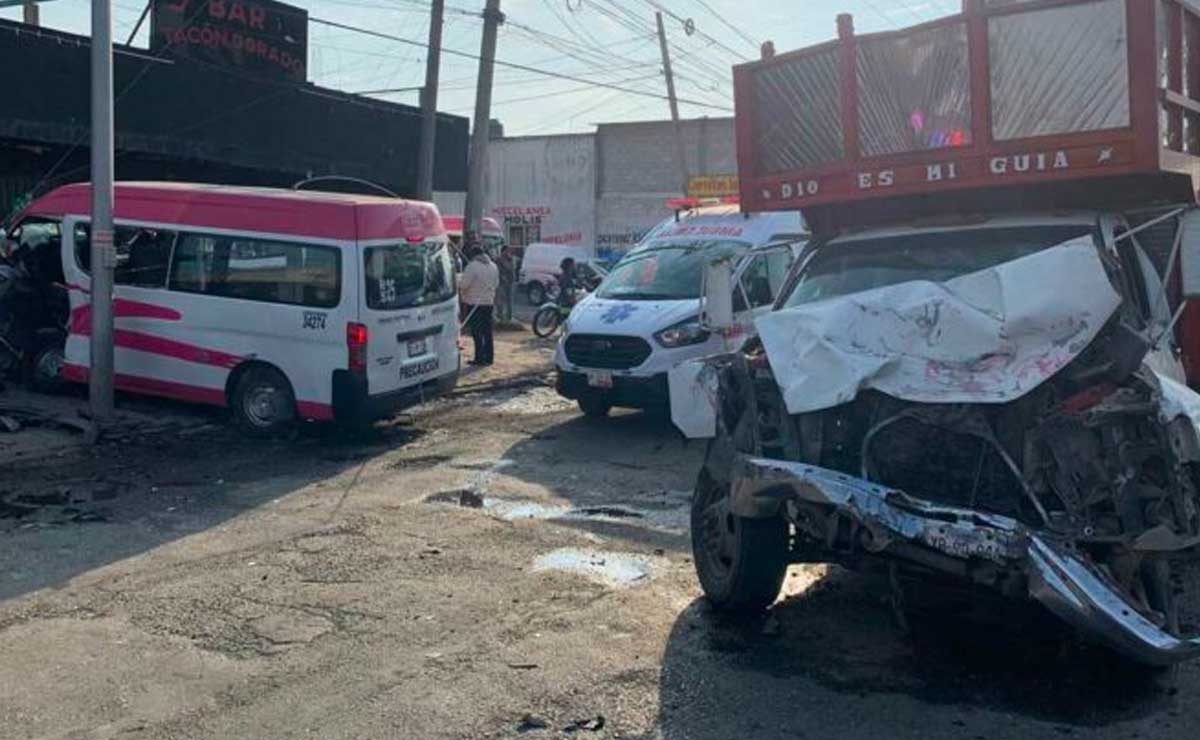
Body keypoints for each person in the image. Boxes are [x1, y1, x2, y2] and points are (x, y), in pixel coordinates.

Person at [458, 243, 500, 366]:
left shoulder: (472, 266)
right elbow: (496, 284)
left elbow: (464, 285)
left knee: (477, 332)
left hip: (475, 303)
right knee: (487, 331)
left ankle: (479, 358)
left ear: (473, 255)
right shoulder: (494, 266)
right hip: (488, 303)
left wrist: (457, 279)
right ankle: (489, 358)